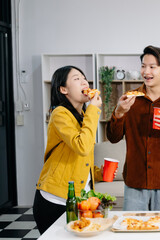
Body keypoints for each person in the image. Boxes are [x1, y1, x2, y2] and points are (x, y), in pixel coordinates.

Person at [106, 45, 160, 211]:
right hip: (135, 183)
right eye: (143, 66)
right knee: (132, 233)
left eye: (152, 67)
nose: (146, 72)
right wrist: (119, 112)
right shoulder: (130, 100)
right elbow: (113, 137)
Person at [33, 65, 103, 234]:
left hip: (79, 199)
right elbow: (82, 146)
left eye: (84, 78)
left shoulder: (81, 117)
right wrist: (94, 109)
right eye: (77, 79)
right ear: (63, 89)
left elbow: (78, 158)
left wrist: (98, 173)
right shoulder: (59, 114)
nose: (84, 82)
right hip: (56, 200)